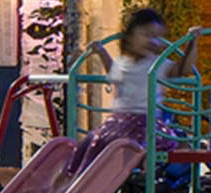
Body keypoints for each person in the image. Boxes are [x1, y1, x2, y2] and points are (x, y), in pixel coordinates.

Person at [70, 10, 200, 174]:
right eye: (147, 34)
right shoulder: (123, 62)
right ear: (130, 37)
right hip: (122, 124)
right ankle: (78, 180)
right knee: (94, 143)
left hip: (142, 123)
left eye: (158, 36)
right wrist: (101, 52)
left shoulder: (156, 65)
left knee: (162, 148)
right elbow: (115, 72)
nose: (153, 41)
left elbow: (184, 69)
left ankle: (149, 181)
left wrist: (192, 42)